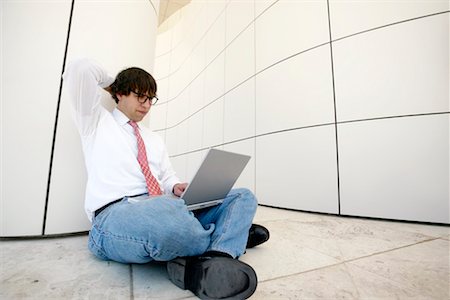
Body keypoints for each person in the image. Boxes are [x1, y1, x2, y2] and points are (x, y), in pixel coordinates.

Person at [63, 58, 269, 299]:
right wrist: (116, 83)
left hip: (165, 206)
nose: (146, 104)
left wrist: (176, 186)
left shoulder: (153, 138)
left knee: (243, 197)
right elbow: (80, 69)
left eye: (151, 98)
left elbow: (167, 177)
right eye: (140, 95)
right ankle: (230, 235)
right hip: (115, 215)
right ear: (119, 93)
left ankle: (218, 257)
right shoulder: (95, 122)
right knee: (166, 213)